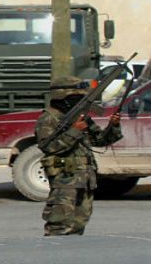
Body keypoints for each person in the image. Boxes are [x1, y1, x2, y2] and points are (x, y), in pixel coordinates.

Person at [35, 76, 123, 236]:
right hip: (65, 179)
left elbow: (100, 140)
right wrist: (75, 130)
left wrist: (114, 126)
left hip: (84, 178)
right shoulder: (49, 118)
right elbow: (48, 147)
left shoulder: (80, 117)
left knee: (79, 224)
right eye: (74, 98)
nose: (78, 101)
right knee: (60, 224)